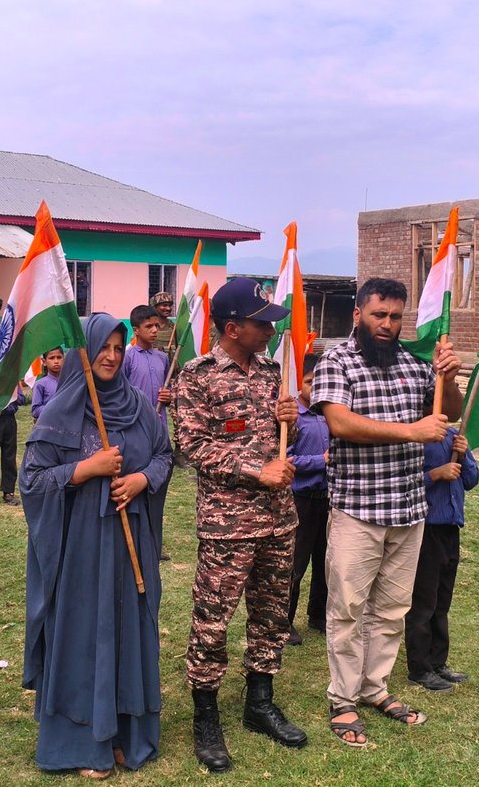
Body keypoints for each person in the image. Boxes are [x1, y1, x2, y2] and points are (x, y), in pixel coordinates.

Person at [310, 277, 463, 747]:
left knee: (392, 610)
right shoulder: (337, 361)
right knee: (348, 609)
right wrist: (410, 432)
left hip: (408, 510)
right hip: (357, 510)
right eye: (379, 315)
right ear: (358, 314)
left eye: (396, 317)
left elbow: (448, 414)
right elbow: (340, 422)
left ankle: (376, 688)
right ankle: (343, 699)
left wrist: (449, 378)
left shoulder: (413, 365)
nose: (388, 324)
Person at [20, 314, 172, 777]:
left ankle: (126, 731)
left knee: (128, 629)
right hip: (80, 549)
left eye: (117, 348)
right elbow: (32, 479)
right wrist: (88, 468)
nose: (110, 357)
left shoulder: (140, 408)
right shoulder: (60, 412)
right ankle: (85, 741)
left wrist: (142, 479)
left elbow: (165, 455)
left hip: (130, 548)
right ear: (80, 354)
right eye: (101, 348)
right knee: (87, 635)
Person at [173, 277, 306, 773]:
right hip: (229, 526)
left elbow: (276, 435)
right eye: (261, 322)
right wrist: (256, 470)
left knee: (272, 616)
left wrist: (289, 415)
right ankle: (206, 717)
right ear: (233, 328)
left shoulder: (274, 372)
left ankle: (259, 703)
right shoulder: (198, 375)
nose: (271, 328)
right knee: (212, 622)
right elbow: (191, 446)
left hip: (279, 521)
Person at [404, 428, 478, 691]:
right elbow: (403, 482)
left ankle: (438, 662)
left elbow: (471, 480)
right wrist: (435, 474)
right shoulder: (417, 435)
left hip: (450, 527)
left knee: (442, 601)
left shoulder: (453, 435)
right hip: (426, 527)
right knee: (423, 601)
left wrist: (465, 452)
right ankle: (420, 668)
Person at [285, 354, 329, 647]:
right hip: (300, 499)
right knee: (294, 562)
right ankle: (284, 621)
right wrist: (320, 461)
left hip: (328, 499)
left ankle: (318, 614)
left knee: (325, 561)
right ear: (300, 382)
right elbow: (286, 459)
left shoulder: (331, 415)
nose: (314, 388)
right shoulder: (292, 418)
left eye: (319, 383)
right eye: (310, 382)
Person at [122, 304, 171, 428]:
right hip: (137, 424)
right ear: (136, 330)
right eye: (149, 326)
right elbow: (120, 393)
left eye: (156, 326)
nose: (155, 330)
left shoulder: (162, 357)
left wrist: (168, 396)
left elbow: (168, 388)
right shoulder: (127, 358)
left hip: (161, 424)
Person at [30, 347, 63, 421]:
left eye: (59, 357)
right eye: (52, 358)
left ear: (64, 359)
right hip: (49, 425)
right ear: (44, 362)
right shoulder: (40, 384)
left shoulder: (70, 381)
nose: (56, 361)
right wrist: (54, 410)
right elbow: (35, 410)